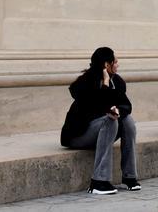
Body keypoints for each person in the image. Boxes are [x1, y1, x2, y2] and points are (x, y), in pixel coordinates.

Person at [60, 47, 140, 195]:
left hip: (102, 131)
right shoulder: (85, 83)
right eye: (114, 62)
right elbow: (97, 107)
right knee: (109, 120)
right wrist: (105, 85)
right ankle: (98, 181)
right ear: (106, 65)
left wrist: (117, 111)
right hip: (79, 135)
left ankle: (129, 177)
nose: (118, 64)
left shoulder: (117, 81)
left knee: (127, 121)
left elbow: (126, 105)